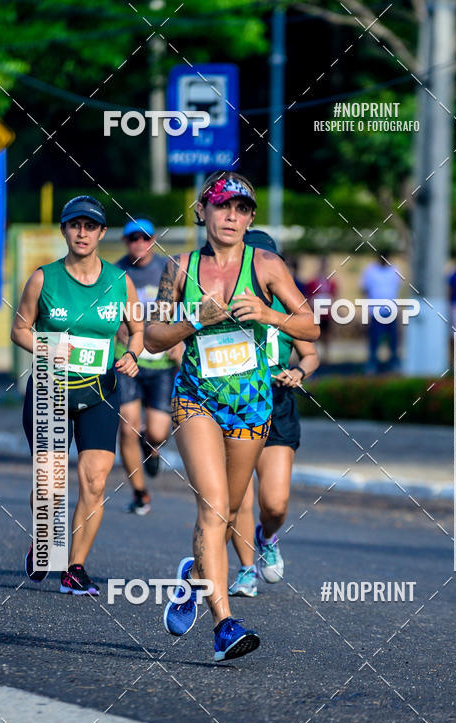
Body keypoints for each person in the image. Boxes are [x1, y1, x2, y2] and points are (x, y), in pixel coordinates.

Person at [144, 171, 319, 661]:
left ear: (250, 218)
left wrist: (268, 316)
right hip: (196, 398)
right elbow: (153, 338)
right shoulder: (179, 268)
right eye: (223, 207)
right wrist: (198, 318)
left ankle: (192, 577)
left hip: (252, 404)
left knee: (225, 517)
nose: (232, 217)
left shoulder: (265, 265)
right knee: (215, 507)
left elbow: (311, 326)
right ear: (201, 211)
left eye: (242, 209)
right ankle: (225, 626)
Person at [11, 195, 142, 595]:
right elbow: (19, 330)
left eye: (90, 226)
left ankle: (75, 566)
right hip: (50, 388)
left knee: (96, 482)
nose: (82, 232)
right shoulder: (43, 278)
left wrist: (133, 354)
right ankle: (44, 538)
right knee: (49, 485)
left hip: (100, 389)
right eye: (74, 225)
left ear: (102, 233)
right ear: (65, 230)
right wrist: (46, 347)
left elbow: (137, 330)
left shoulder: (120, 281)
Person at [228, 231, 319, 597]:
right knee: (238, 499)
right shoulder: (226, 304)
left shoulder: (287, 311)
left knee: (275, 503)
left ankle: (267, 537)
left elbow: (311, 353)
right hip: (233, 404)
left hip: (277, 404)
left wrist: (299, 371)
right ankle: (246, 569)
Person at [115, 217, 182, 516]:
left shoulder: (167, 270)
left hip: (161, 360)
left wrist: (179, 339)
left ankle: (152, 446)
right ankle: (140, 492)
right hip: (127, 358)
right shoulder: (116, 273)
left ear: (153, 240)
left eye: (144, 238)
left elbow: (184, 306)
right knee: (127, 426)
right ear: (125, 242)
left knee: (157, 431)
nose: (139, 244)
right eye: (133, 239)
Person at [360, 250, 401, 373]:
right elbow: (364, 289)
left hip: (391, 311)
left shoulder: (395, 270)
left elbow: (397, 288)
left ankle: (393, 363)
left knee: (393, 339)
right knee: (375, 338)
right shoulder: (370, 271)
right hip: (376, 311)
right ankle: (373, 363)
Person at [306, 255, 338, 361]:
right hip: (316, 312)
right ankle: (314, 355)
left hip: (327, 312)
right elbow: (309, 296)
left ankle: (326, 356)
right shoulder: (313, 282)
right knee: (314, 335)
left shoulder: (331, 282)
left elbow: (334, 296)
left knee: (326, 334)